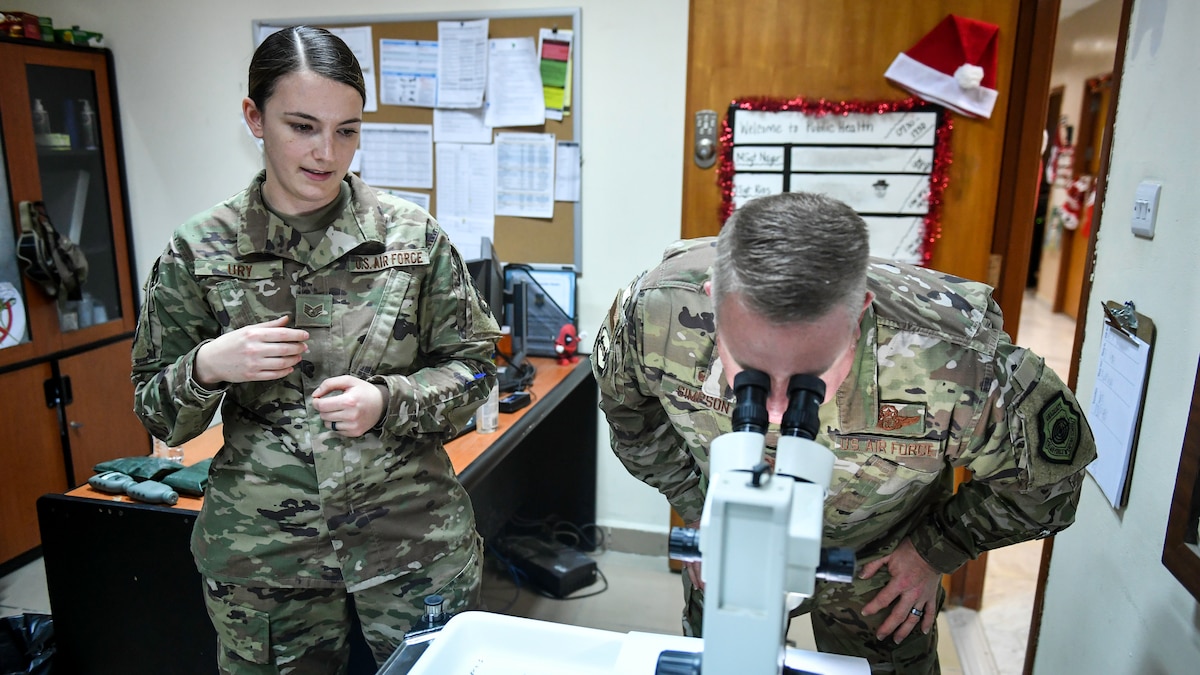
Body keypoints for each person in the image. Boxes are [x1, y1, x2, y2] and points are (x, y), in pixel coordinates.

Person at [592, 192, 1096, 674]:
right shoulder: (658, 315)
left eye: (809, 379)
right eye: (750, 373)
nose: (773, 407)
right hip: (734, 547)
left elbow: (1049, 485)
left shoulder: (958, 364)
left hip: (881, 566)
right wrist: (704, 509)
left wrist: (936, 548)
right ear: (712, 305)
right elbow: (628, 412)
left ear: (859, 316)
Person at [131, 26, 500, 673]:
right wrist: (209, 365)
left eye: (347, 130)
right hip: (268, 559)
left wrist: (388, 400)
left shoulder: (411, 237)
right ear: (254, 116)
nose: (326, 152)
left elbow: (476, 366)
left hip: (410, 543)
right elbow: (159, 412)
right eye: (302, 125)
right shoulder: (201, 251)